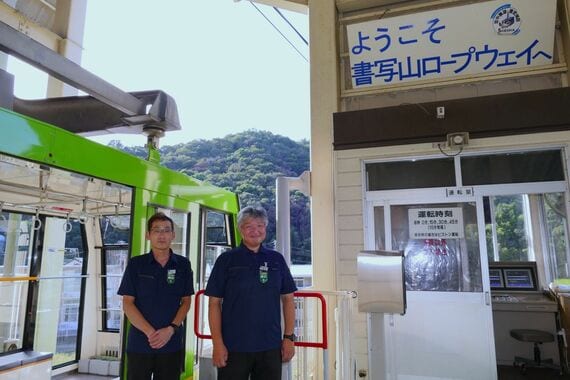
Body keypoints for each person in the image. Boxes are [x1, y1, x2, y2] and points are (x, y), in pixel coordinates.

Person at [205, 206, 297, 380]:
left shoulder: (276, 259)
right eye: (249, 226)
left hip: (270, 346)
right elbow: (214, 303)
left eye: (260, 226)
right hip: (233, 347)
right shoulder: (226, 260)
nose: (255, 231)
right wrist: (217, 343)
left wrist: (289, 338)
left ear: (265, 228)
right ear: (240, 229)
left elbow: (288, 300)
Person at [118, 212, 194, 380]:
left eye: (166, 230)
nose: (162, 235)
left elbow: (187, 302)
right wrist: (150, 332)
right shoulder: (136, 264)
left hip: (171, 344)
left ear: (173, 235)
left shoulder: (183, 265)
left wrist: (170, 329)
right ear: (148, 235)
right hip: (140, 344)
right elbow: (127, 303)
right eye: (156, 230)